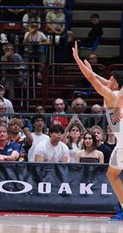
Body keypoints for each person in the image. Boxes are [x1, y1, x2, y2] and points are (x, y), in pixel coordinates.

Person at [73, 41, 123, 220]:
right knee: (112, 174)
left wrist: (77, 59)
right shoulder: (114, 92)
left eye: (111, 80)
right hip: (121, 143)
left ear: (116, 85)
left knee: (112, 174)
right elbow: (97, 78)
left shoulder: (112, 95)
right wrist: (88, 68)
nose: (108, 81)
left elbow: (92, 80)